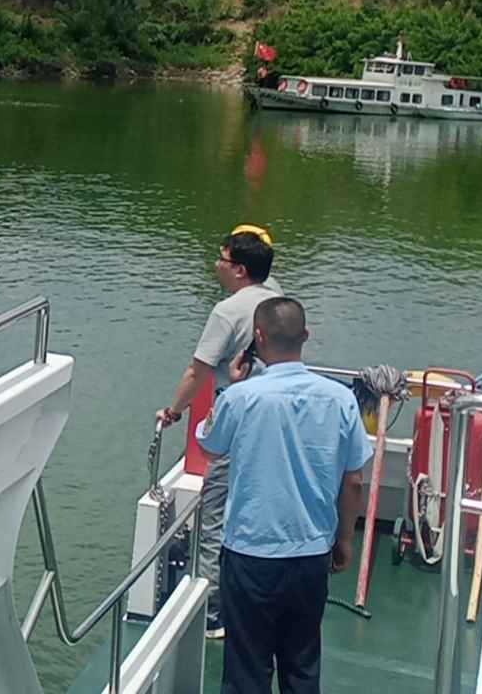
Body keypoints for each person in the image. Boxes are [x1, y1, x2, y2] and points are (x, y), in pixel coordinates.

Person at [199, 297, 371, 694]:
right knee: (302, 666)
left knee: (246, 670)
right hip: (311, 554)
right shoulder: (340, 399)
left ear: (257, 338)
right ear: (305, 335)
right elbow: (354, 481)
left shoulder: (241, 398)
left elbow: (210, 444)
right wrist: (344, 540)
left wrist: (231, 387)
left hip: (249, 555)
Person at [155, 226, 282, 635]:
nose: (216, 265)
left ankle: (212, 614)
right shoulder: (277, 298)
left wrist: (174, 411)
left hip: (242, 421)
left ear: (239, 270)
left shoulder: (227, 312)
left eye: (222, 258)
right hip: (279, 422)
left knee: (214, 514)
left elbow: (198, 372)